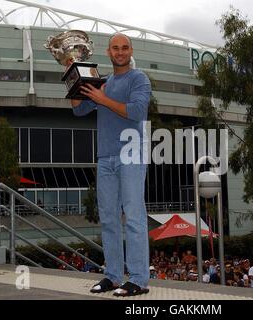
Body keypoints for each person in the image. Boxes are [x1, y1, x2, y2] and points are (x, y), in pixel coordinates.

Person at [71, 33, 151, 297]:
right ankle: (114, 276)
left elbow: (137, 112)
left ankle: (138, 279)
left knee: (134, 218)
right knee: (108, 220)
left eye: (124, 48)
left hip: (130, 155)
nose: (120, 52)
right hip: (105, 157)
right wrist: (71, 71)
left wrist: (102, 98)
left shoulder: (138, 79)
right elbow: (78, 109)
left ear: (130, 50)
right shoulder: (101, 82)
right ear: (108, 52)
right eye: (115, 48)